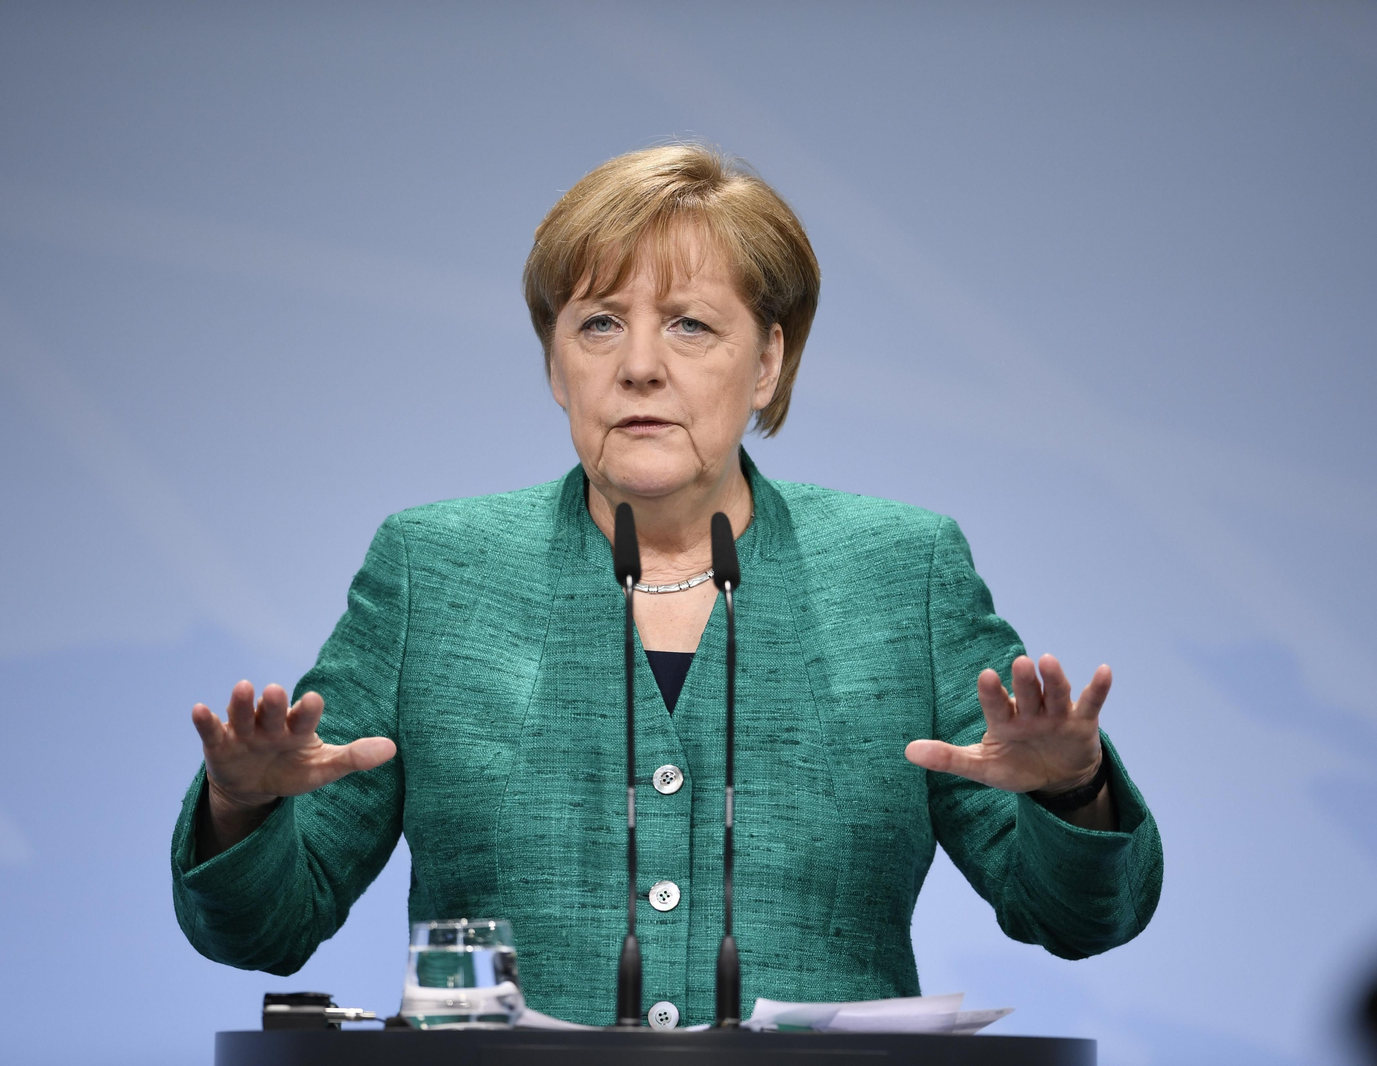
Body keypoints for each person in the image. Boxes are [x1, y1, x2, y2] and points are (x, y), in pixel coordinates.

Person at [171, 144, 1163, 1028]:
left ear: (768, 360)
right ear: (556, 365)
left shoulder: (902, 570)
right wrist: (242, 809)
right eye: (598, 324)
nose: (639, 366)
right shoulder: (433, 568)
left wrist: (1071, 792)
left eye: (690, 325)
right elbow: (267, 925)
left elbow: (1077, 918)